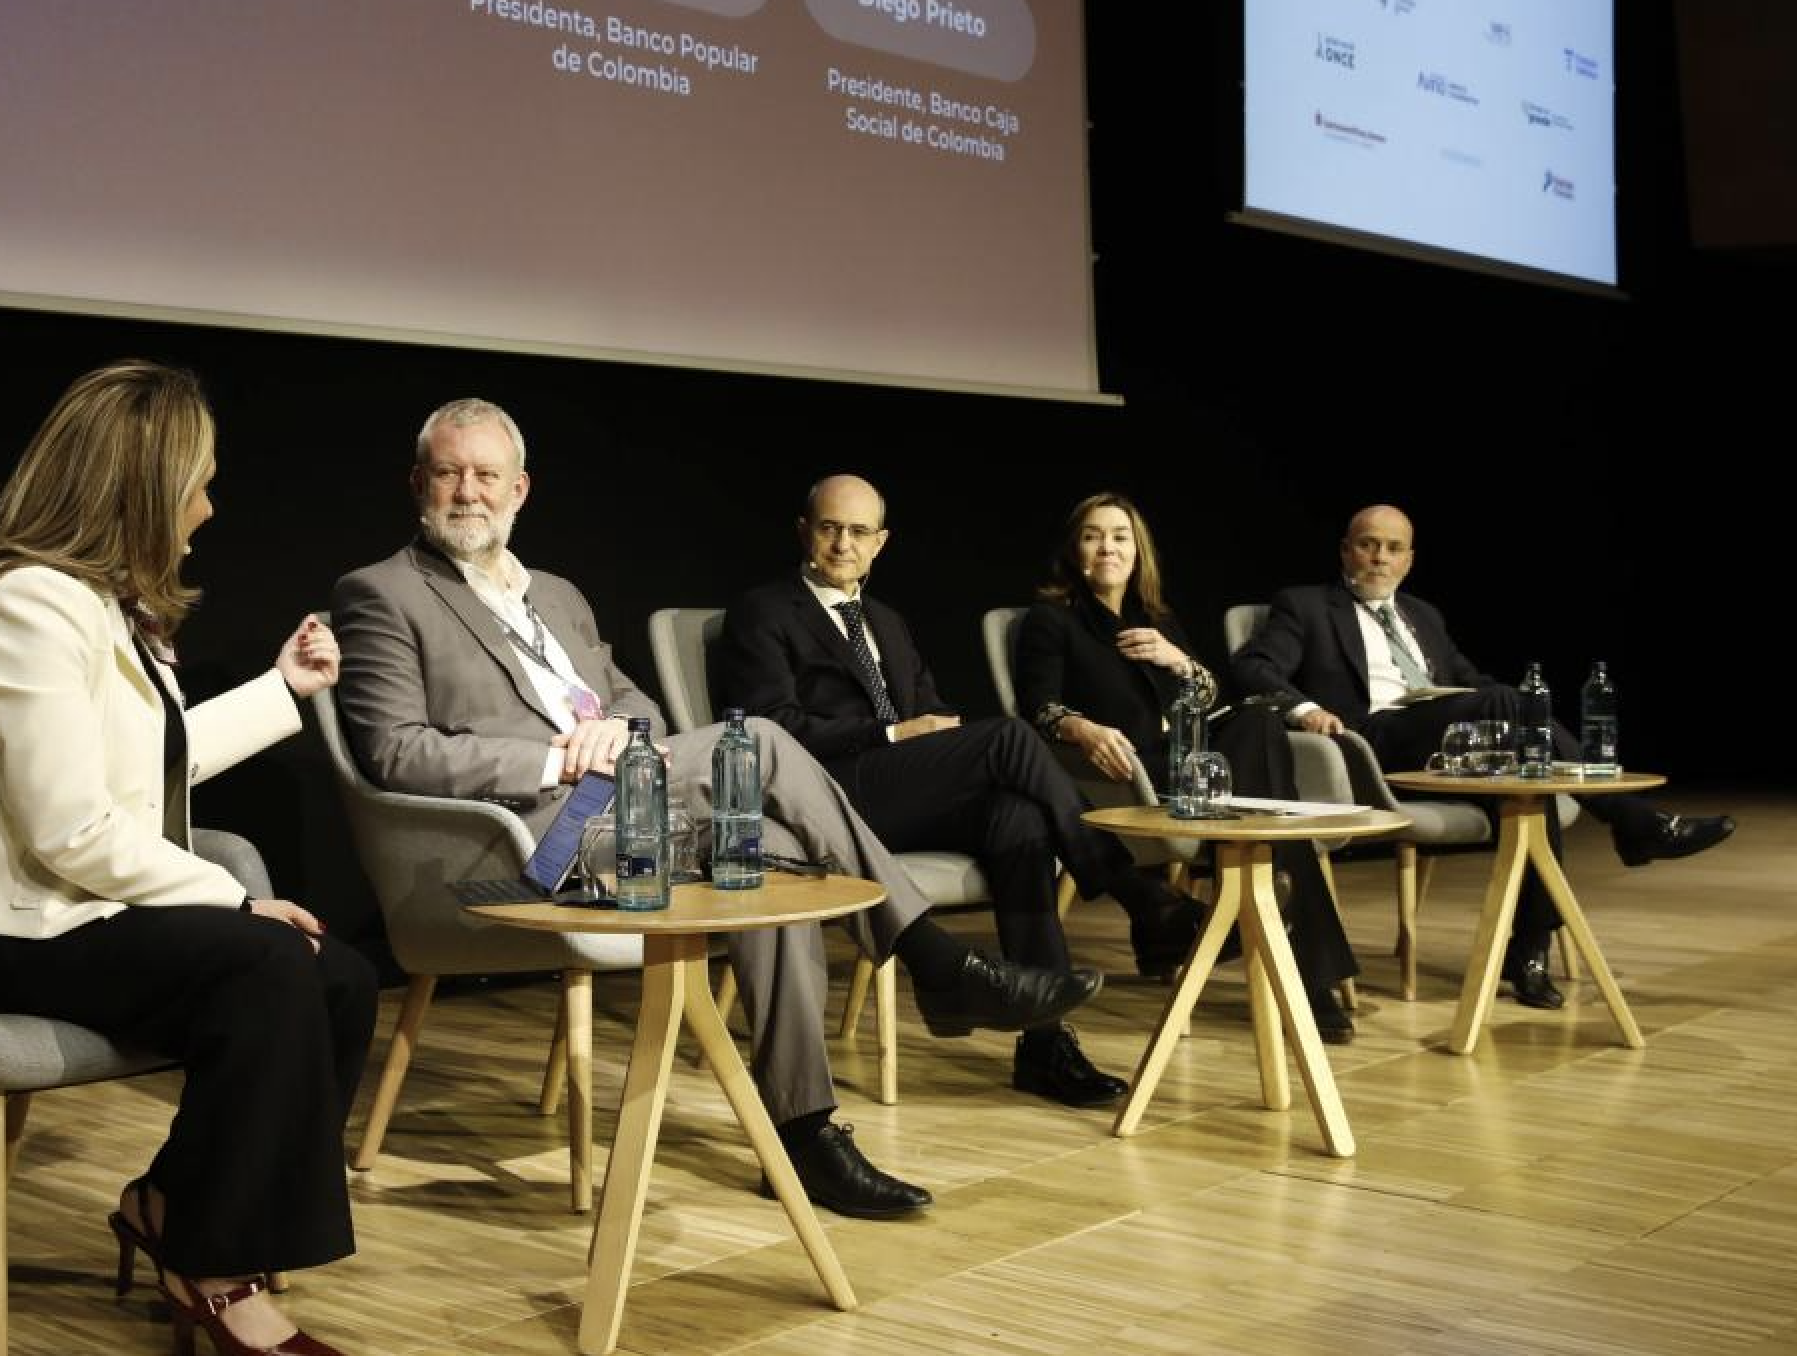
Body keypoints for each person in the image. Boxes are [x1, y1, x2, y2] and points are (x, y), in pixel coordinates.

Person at [332, 398, 1099, 1221]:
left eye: (486, 475)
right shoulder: (380, 593)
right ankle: (935, 963)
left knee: (771, 849)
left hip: (626, 805)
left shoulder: (554, 593)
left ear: (520, 489)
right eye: (449, 473)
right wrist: (561, 754)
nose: (467, 492)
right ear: (419, 482)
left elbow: (637, 704)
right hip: (530, 838)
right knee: (759, 742)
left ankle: (806, 1132)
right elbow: (396, 751)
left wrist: (629, 743)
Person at [0, 360, 377, 1356]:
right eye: (196, 479)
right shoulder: (24, 603)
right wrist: (235, 903)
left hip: (70, 909)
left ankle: (169, 1203)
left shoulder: (95, 602)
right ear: (143, 490)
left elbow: (145, 764)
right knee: (273, 961)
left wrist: (283, 692)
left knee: (341, 976)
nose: (210, 501)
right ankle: (214, 1268)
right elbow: (69, 830)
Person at [718, 475, 1210, 1104]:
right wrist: (895, 732)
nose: (844, 542)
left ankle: (1045, 1045)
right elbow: (770, 729)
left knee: (1016, 819)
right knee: (1006, 738)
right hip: (821, 798)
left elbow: (928, 706)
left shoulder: (886, 621)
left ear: (881, 542)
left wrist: (931, 729)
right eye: (829, 527)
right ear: (804, 532)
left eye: (859, 531)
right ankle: (1132, 892)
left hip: (896, 793)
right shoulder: (765, 609)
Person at [1231, 503, 1735, 1008]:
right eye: (1368, 544)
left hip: (1452, 746)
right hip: (1375, 744)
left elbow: (1470, 683)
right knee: (1513, 714)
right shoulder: (1305, 605)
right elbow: (1253, 665)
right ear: (1346, 550)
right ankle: (1633, 822)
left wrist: (1515, 713)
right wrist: (1306, 709)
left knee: (1527, 782)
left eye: (1393, 548)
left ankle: (1528, 949)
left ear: (1409, 559)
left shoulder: (1422, 615)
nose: (1379, 557)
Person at [1012, 492, 1363, 1043]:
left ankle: (1233, 931)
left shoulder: (1157, 618)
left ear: (1138, 550)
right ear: (1073, 550)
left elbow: (1207, 699)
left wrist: (1177, 660)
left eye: (1120, 536)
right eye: (1093, 535)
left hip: (1189, 765)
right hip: (1123, 770)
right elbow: (1039, 705)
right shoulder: (1051, 619)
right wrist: (1084, 728)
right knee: (1272, 818)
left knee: (1261, 721)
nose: (1108, 546)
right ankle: (1304, 976)